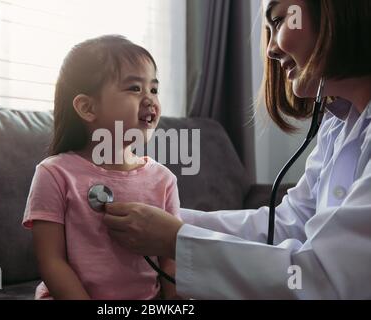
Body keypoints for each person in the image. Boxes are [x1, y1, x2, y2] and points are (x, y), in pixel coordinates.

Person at [103, 0, 371, 299]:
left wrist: (175, 239)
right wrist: (168, 218)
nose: (270, 50)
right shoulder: (339, 127)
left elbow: (323, 279)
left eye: (280, 20)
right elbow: (287, 225)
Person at [22, 35, 181, 300]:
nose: (150, 99)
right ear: (87, 107)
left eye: (153, 89)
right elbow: (52, 262)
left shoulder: (163, 180)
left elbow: (170, 260)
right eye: (134, 88)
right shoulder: (54, 174)